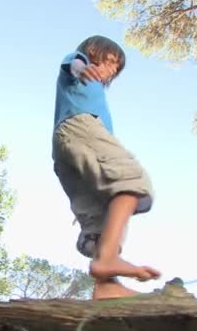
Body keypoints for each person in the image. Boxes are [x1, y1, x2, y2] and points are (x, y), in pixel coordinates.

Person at [51, 35, 161, 299]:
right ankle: (108, 260)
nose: (111, 69)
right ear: (92, 53)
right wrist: (81, 66)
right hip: (80, 129)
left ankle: (105, 287)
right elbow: (72, 63)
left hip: (68, 152)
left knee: (102, 220)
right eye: (110, 61)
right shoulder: (78, 69)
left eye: (116, 68)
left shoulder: (96, 93)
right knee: (131, 182)